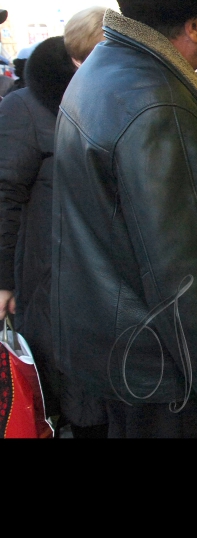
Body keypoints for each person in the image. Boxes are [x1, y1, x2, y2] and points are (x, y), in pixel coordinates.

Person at [51, 0, 197, 438]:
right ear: (192, 27)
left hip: (113, 346)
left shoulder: (104, 67)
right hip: (161, 370)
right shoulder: (157, 106)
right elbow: (182, 268)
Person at [0, 31, 108, 439]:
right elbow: (5, 195)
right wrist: (3, 281)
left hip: (104, 270)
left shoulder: (105, 99)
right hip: (50, 269)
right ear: (77, 57)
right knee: (68, 387)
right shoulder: (24, 107)